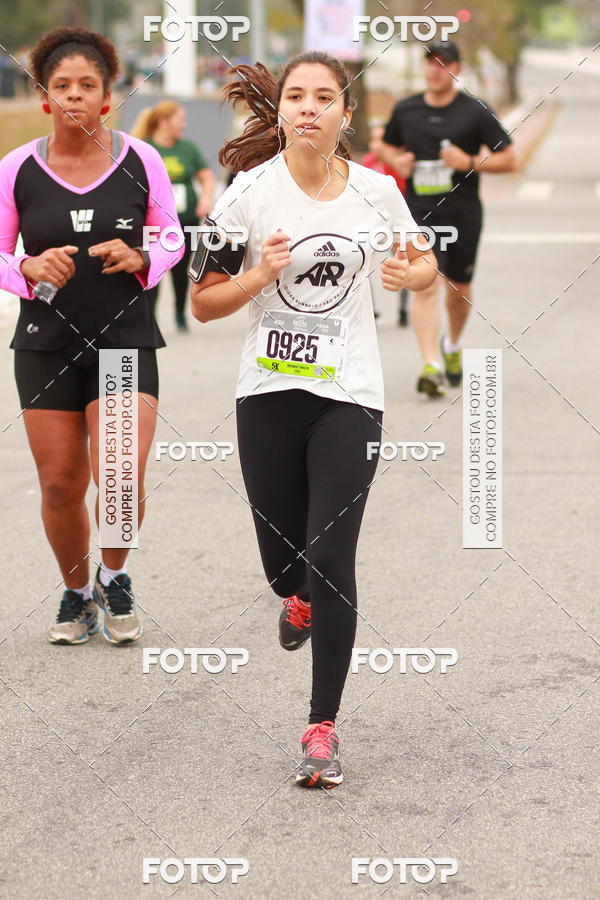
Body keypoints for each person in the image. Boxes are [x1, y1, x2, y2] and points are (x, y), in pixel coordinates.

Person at [189, 53, 436, 787]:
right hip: (267, 392)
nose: (307, 108)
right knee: (285, 566)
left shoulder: (376, 191)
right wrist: (258, 276)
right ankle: (293, 596)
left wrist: (409, 273)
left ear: (344, 114)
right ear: (281, 111)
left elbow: (425, 265)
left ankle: (322, 725)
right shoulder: (246, 194)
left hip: (349, 393)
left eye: (323, 97)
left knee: (331, 557)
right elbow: (203, 302)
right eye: (295, 96)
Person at [0, 27, 183, 644]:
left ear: (108, 98)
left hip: (123, 340)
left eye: (88, 86)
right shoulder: (16, 169)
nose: (74, 96)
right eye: (62, 86)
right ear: (44, 96)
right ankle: (77, 594)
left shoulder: (142, 161)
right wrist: (24, 267)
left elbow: (172, 237)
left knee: (121, 474)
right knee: (59, 483)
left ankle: (114, 576)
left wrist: (141, 257)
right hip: (45, 345)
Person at [378, 40, 517, 396]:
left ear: (456, 69)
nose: (434, 69)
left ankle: (452, 345)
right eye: (430, 63)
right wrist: (396, 160)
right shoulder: (407, 109)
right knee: (427, 283)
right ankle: (431, 365)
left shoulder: (475, 112)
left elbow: (510, 159)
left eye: (443, 63)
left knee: (459, 289)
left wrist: (469, 163)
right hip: (418, 213)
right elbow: (384, 145)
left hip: (462, 213)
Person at [132, 101, 215, 331]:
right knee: (152, 266)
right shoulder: (145, 148)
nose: (184, 124)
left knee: (181, 269)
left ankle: (179, 312)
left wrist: (206, 199)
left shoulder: (187, 148)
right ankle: (149, 317)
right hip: (152, 224)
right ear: (164, 122)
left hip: (185, 220)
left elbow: (206, 176)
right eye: (180, 119)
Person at [361, 125, 409, 325]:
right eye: (374, 139)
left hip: (394, 223)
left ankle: (404, 309)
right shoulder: (367, 162)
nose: (377, 144)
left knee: (402, 260)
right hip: (372, 222)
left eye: (382, 139)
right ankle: (372, 309)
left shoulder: (395, 162)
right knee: (361, 262)